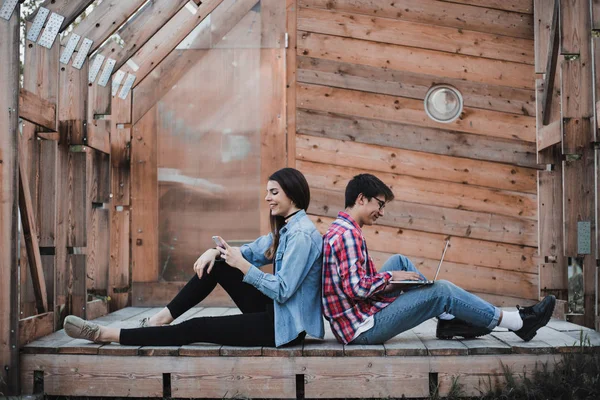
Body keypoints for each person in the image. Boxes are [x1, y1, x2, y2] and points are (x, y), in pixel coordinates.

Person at [64, 168, 324, 347]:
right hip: (276, 313)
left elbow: (282, 290)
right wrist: (216, 252)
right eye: (268, 191)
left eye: (274, 192)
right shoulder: (287, 228)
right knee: (218, 265)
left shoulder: (302, 235)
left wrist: (243, 267)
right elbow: (250, 250)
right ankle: (159, 320)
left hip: (284, 329)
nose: (267, 197)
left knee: (198, 327)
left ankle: (106, 334)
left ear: (292, 192)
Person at [322, 173, 555, 345]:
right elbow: (356, 288)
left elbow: (354, 285)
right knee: (442, 291)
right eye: (380, 204)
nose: (382, 212)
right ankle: (518, 323)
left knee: (400, 261)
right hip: (362, 329)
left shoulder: (342, 228)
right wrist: (390, 278)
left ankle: (448, 318)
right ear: (361, 199)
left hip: (358, 316)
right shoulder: (348, 235)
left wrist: (391, 278)